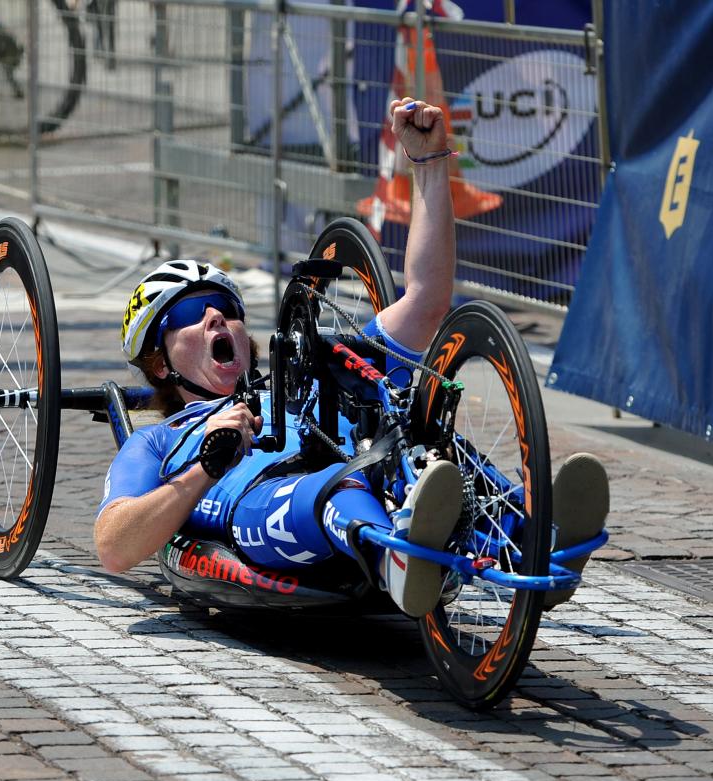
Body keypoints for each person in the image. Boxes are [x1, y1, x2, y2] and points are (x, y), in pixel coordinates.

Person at [95, 98, 609, 616]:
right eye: (189, 312)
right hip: (260, 502)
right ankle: (396, 555)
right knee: (340, 487)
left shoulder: (305, 379)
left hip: (366, 466)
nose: (216, 319)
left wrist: (429, 165)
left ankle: (534, 534)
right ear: (159, 362)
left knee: (434, 444)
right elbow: (114, 545)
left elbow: (427, 301)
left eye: (226, 306)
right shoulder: (159, 441)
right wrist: (204, 466)